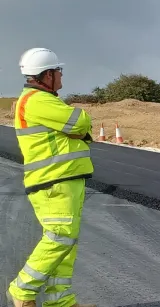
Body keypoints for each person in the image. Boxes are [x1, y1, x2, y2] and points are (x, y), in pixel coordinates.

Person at [6, 48, 95, 307]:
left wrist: (78, 130)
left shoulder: (43, 100)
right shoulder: (37, 100)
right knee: (60, 236)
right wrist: (81, 124)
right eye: (59, 71)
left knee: (67, 242)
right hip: (53, 181)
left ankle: (60, 301)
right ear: (47, 74)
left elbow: (77, 129)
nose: (61, 76)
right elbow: (80, 122)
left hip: (64, 179)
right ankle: (23, 289)